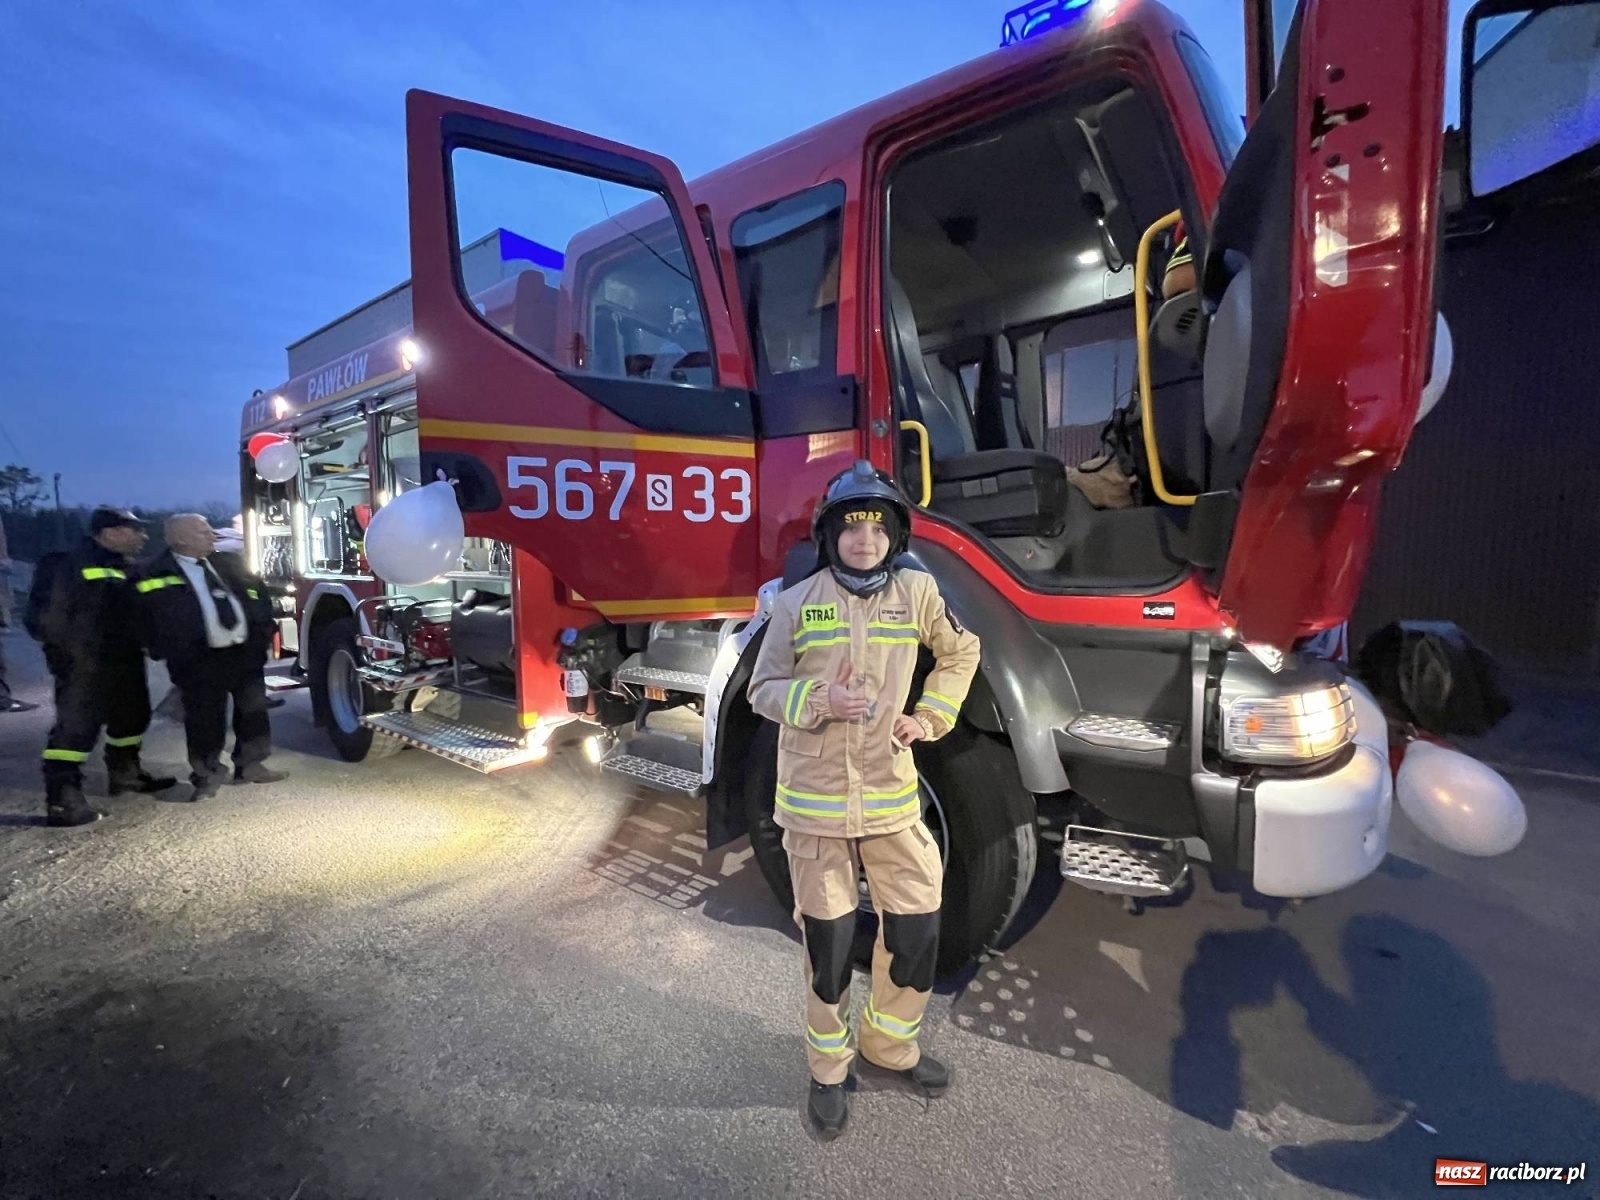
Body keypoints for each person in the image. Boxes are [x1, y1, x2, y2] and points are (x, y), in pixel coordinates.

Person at [747, 460, 981, 1139]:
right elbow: (762, 691)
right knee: (829, 944)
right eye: (852, 527)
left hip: (889, 797)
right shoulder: (796, 603)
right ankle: (828, 1070)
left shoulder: (917, 593)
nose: (865, 540)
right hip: (813, 806)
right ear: (831, 536)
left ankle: (889, 1047)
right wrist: (818, 701)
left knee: (914, 925)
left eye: (878, 528)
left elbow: (961, 653)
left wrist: (929, 717)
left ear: (895, 536)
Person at [35, 507, 177, 827]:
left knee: (132, 719)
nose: (143, 536)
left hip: (124, 660)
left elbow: (142, 613)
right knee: (76, 729)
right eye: (135, 530)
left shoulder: (127, 568)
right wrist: (69, 655)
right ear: (109, 533)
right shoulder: (65, 563)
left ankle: (125, 774)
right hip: (83, 664)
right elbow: (44, 618)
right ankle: (63, 799)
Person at [137, 514, 286, 799]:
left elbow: (259, 596)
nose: (212, 535)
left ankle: (251, 765)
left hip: (243, 655)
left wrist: (262, 634)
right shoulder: (153, 573)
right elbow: (143, 618)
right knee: (204, 721)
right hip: (198, 661)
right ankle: (206, 776)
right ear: (180, 539)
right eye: (203, 531)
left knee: (254, 713)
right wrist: (167, 650)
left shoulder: (228, 563)